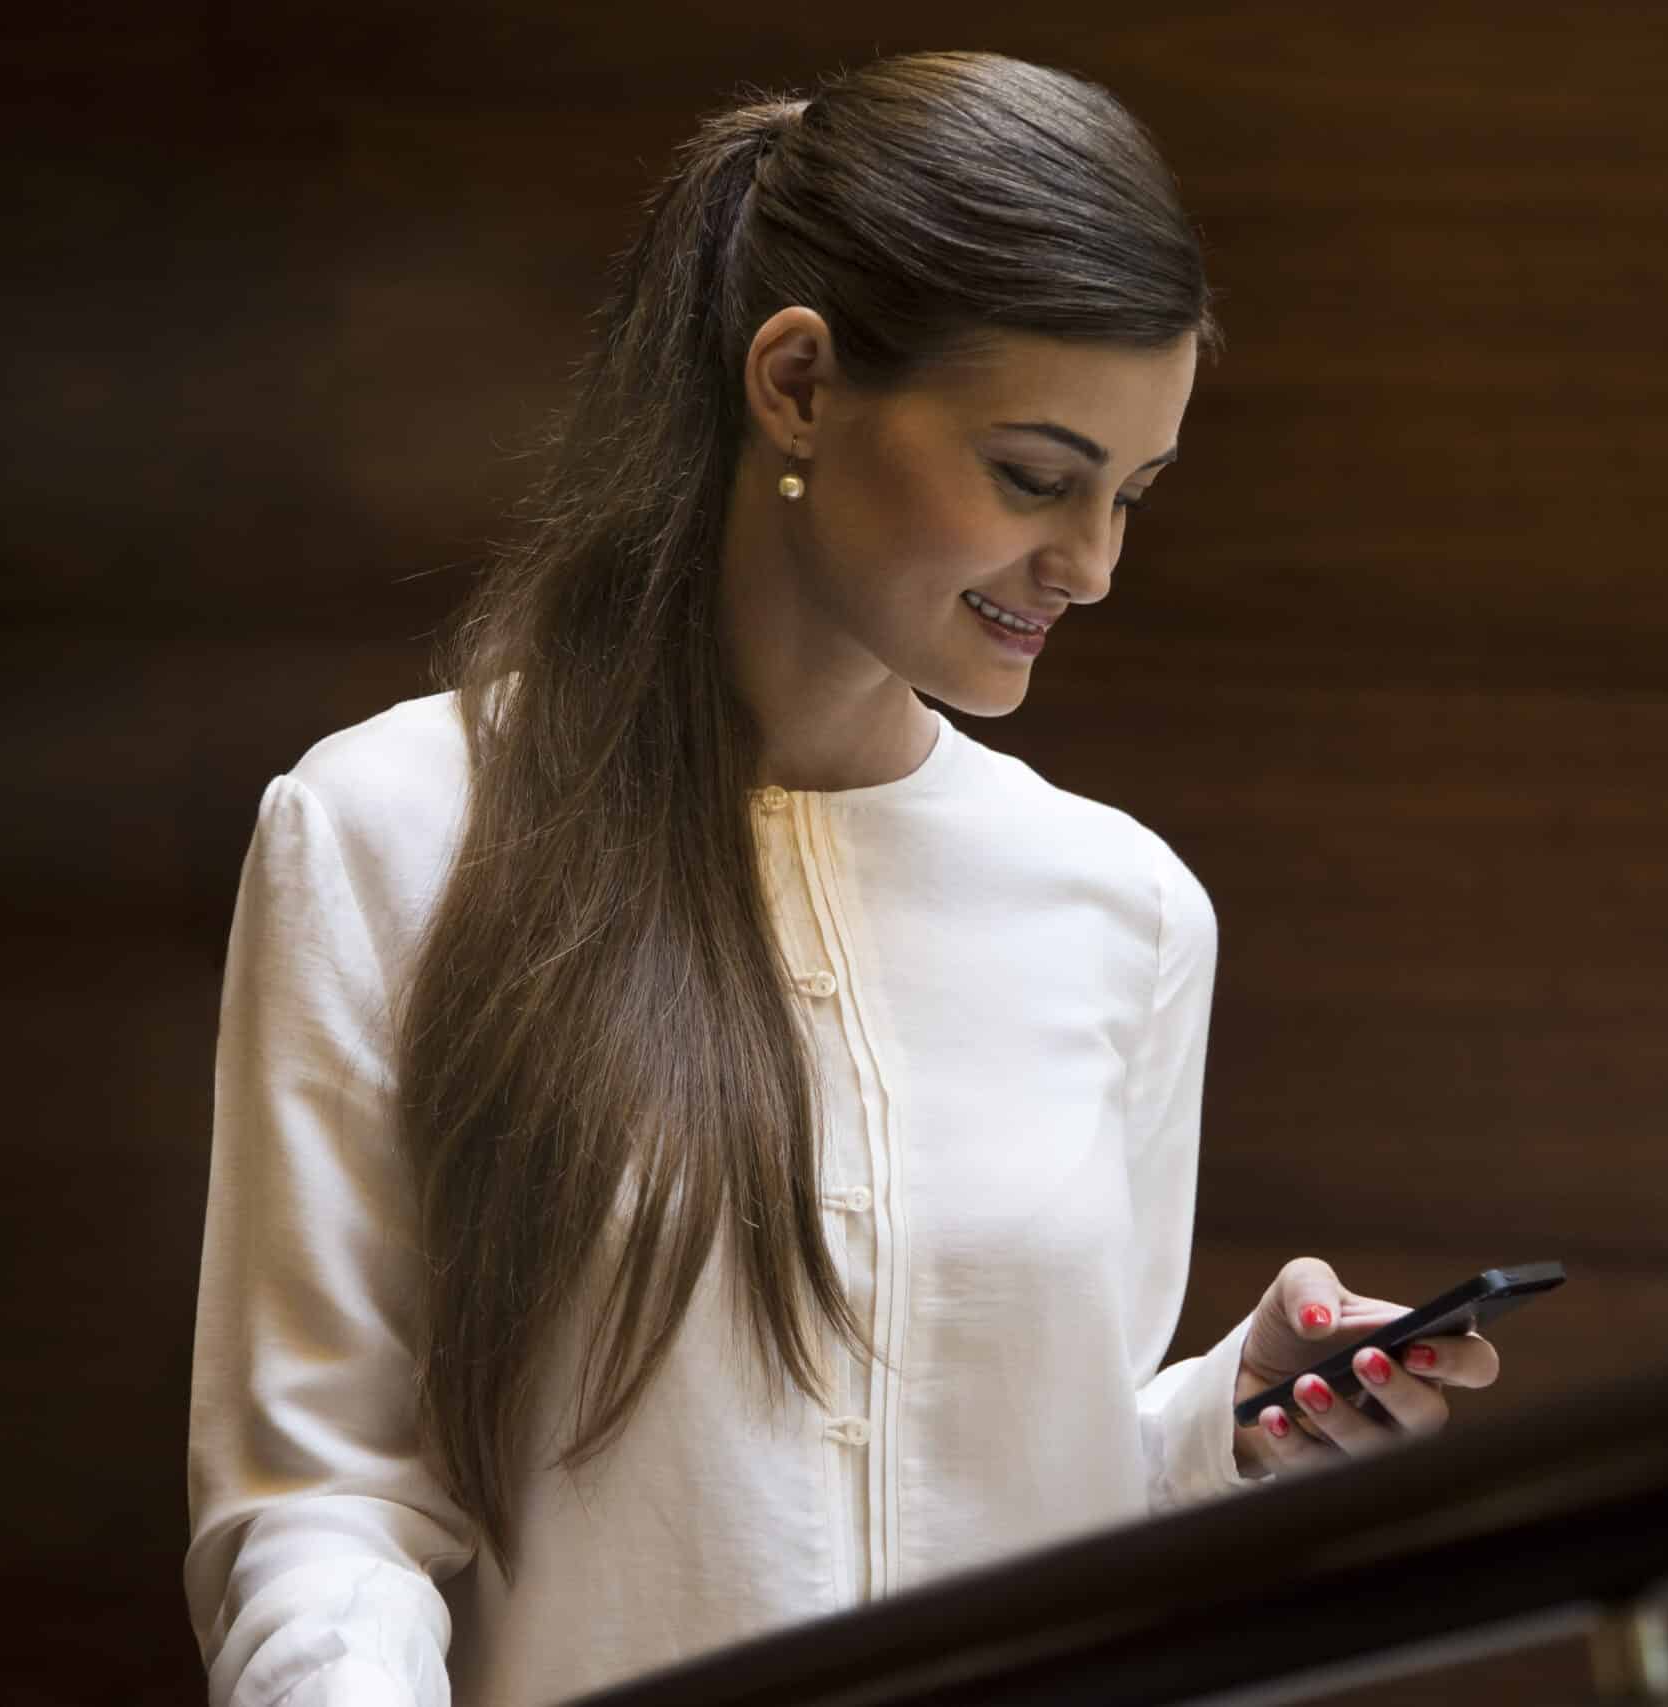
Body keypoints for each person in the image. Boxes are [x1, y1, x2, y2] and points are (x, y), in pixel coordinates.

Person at [181, 48, 1502, 1707]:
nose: (1090, 567)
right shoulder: (393, 831)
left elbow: (1042, 1480)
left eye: (1133, 496)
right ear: (797, 385)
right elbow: (327, 1508)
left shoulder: (1128, 909)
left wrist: (1225, 1423)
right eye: (1036, 476)